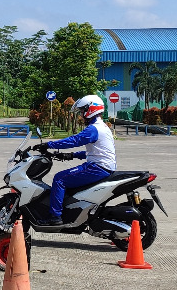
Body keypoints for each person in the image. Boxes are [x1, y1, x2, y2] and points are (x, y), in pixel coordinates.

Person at [31, 95, 115, 226]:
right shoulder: (102, 127)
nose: (81, 115)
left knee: (59, 179)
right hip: (102, 166)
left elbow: (74, 140)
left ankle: (55, 217)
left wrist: (49, 145)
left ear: (90, 109)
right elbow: (94, 152)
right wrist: (70, 156)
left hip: (97, 168)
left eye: (82, 111)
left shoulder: (94, 129)